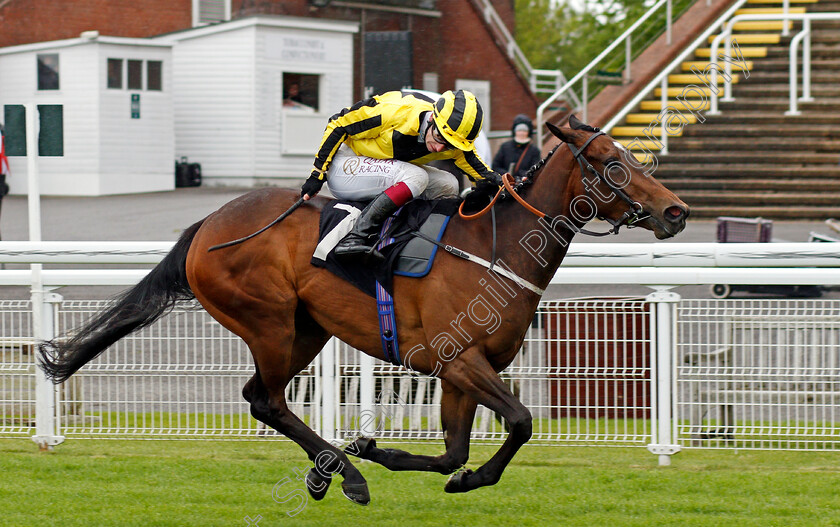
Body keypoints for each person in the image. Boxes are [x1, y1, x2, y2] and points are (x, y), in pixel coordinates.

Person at [300, 89, 505, 262]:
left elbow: (482, 174)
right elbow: (337, 124)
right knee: (417, 177)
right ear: (433, 117)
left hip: (385, 167)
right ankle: (354, 237)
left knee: (449, 184)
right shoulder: (395, 112)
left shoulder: (452, 138)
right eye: (440, 138)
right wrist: (317, 174)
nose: (440, 148)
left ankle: (421, 242)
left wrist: (501, 185)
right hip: (345, 164)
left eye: (450, 145)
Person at [492, 114, 541, 180]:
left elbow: (535, 169)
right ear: (515, 131)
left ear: (529, 132)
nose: (521, 133)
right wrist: (507, 175)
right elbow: (495, 166)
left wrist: (522, 174)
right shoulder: (505, 147)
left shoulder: (534, 150)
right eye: (519, 130)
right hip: (506, 183)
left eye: (524, 130)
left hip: (524, 184)